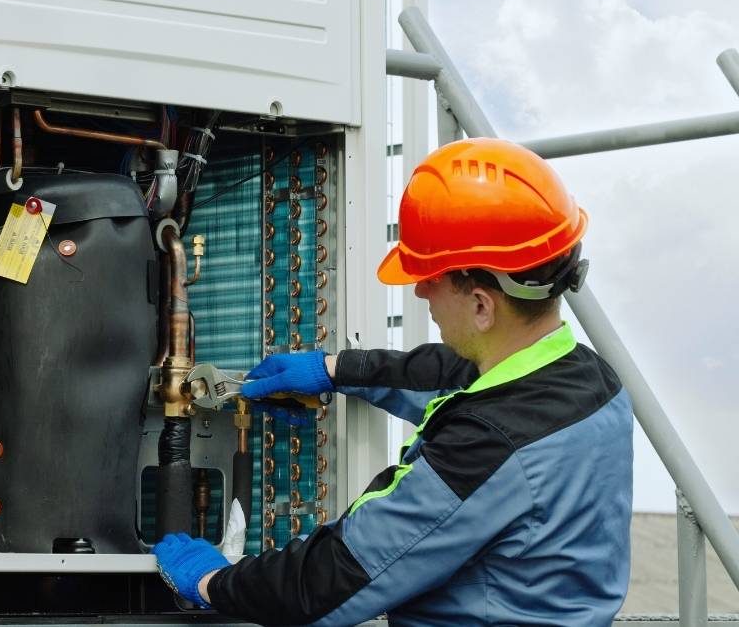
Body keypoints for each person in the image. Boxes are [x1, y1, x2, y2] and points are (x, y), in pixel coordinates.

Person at [154, 138, 633, 626]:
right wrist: (337, 369)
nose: (420, 288)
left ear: (483, 305)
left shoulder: (488, 447)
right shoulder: (592, 381)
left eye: (431, 276)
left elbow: (336, 578)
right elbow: (453, 375)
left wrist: (214, 581)